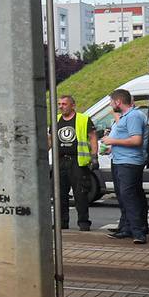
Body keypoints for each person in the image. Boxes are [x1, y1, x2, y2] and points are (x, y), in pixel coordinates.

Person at [101, 88, 149, 246]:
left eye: (111, 102)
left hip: (129, 163)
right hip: (119, 160)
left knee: (130, 197)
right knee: (124, 196)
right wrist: (110, 148)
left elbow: (136, 140)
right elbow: (125, 139)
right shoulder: (125, 117)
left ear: (118, 102)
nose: (110, 105)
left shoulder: (134, 116)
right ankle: (127, 228)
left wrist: (112, 141)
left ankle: (139, 232)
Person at [53, 94, 97, 232]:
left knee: (80, 193)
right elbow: (50, 139)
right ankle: (62, 222)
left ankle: (83, 223)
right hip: (60, 161)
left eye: (64, 104)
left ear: (73, 105)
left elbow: (92, 137)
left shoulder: (83, 119)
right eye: (59, 104)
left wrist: (94, 156)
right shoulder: (56, 120)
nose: (61, 107)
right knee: (59, 193)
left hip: (77, 161)